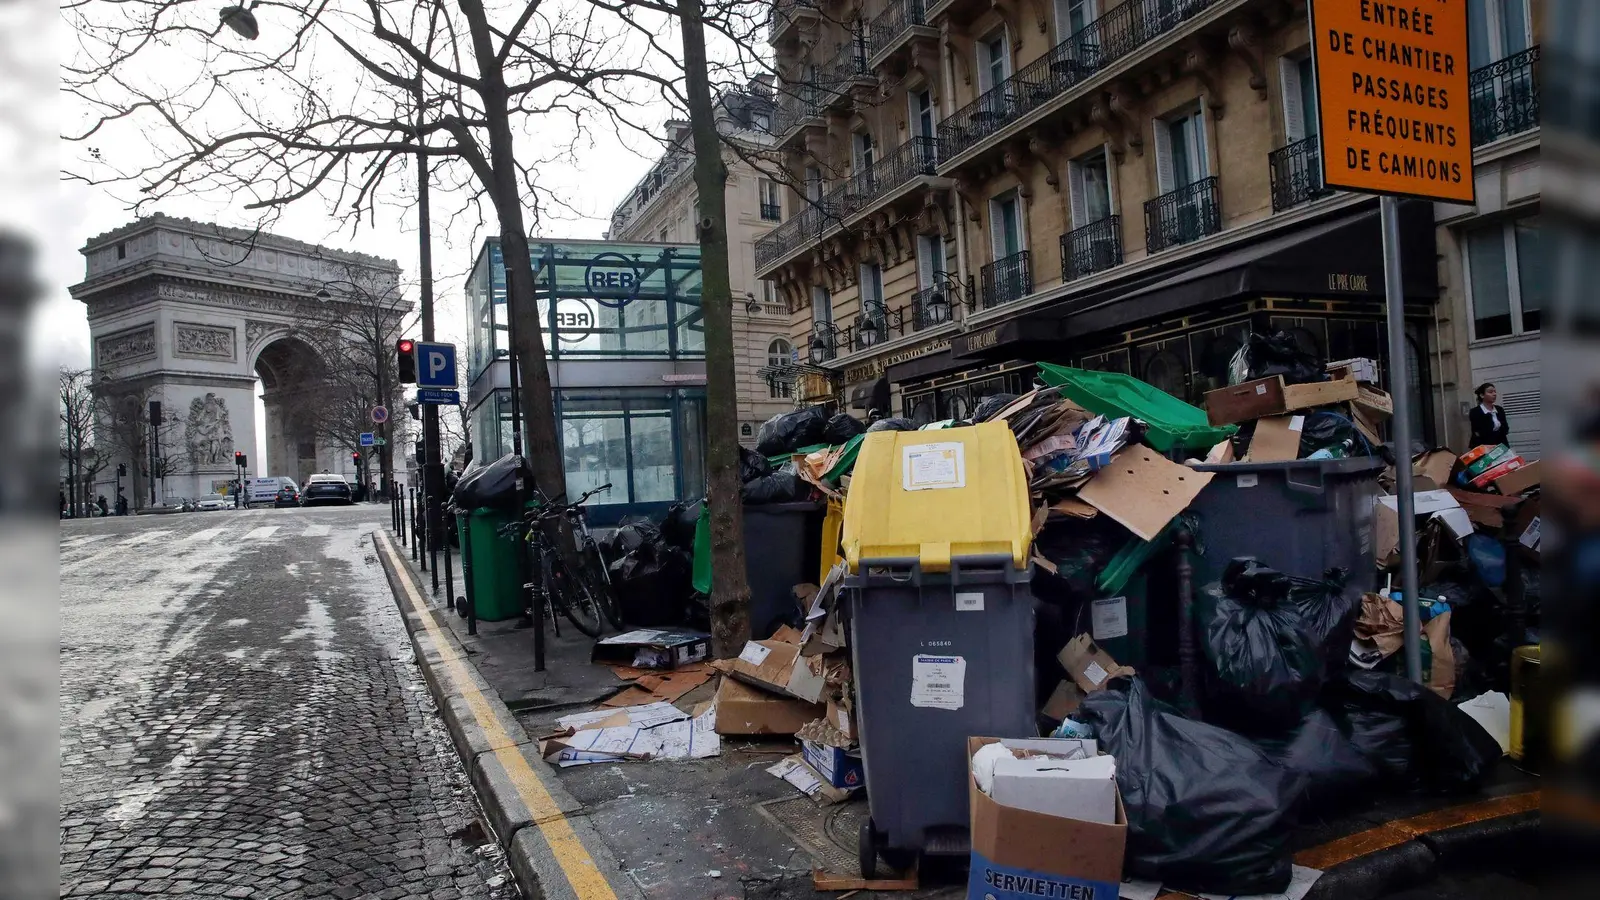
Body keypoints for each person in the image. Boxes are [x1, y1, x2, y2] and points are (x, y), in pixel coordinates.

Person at [1468, 382, 1511, 448]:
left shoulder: (1499, 409)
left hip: (1501, 445)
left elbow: (1505, 429)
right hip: (1483, 446)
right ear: (1482, 395)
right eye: (1490, 392)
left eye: (1495, 392)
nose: (1494, 394)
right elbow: (1479, 432)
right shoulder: (1475, 412)